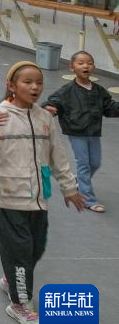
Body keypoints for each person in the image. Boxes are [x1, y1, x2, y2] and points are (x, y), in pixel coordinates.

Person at [0, 61, 84, 324]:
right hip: (10, 196)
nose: (34, 87)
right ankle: (19, 304)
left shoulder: (45, 118)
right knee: (19, 252)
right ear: (11, 85)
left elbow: (58, 155)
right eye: (27, 82)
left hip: (39, 196)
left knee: (36, 248)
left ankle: (11, 278)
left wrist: (69, 188)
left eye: (39, 82)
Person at [44, 51, 119, 214]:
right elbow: (53, 103)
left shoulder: (99, 91)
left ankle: (77, 182)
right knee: (83, 164)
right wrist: (48, 108)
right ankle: (88, 199)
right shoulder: (66, 91)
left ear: (93, 67)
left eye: (89, 63)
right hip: (76, 132)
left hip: (93, 132)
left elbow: (109, 107)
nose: (86, 66)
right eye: (81, 63)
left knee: (95, 163)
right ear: (72, 68)